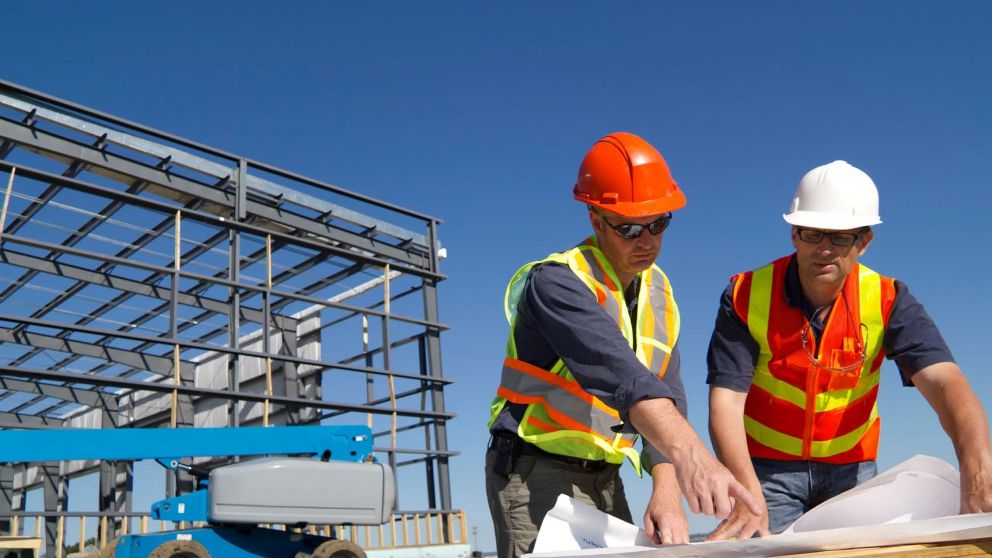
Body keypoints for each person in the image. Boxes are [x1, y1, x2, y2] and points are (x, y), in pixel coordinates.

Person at [485, 132, 759, 558]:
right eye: (629, 227)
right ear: (596, 220)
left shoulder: (659, 292)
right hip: (534, 471)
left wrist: (666, 487)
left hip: (606, 476)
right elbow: (626, 378)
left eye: (658, 223)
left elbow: (667, 391)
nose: (646, 240)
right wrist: (695, 459)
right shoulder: (557, 282)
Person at [705, 160, 992, 539]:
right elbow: (725, 402)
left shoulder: (889, 300)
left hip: (852, 471)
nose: (825, 249)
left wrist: (978, 469)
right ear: (794, 233)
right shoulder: (745, 295)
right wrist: (745, 490)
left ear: (863, 241)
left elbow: (945, 382)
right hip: (765, 471)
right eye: (813, 234)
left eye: (840, 237)